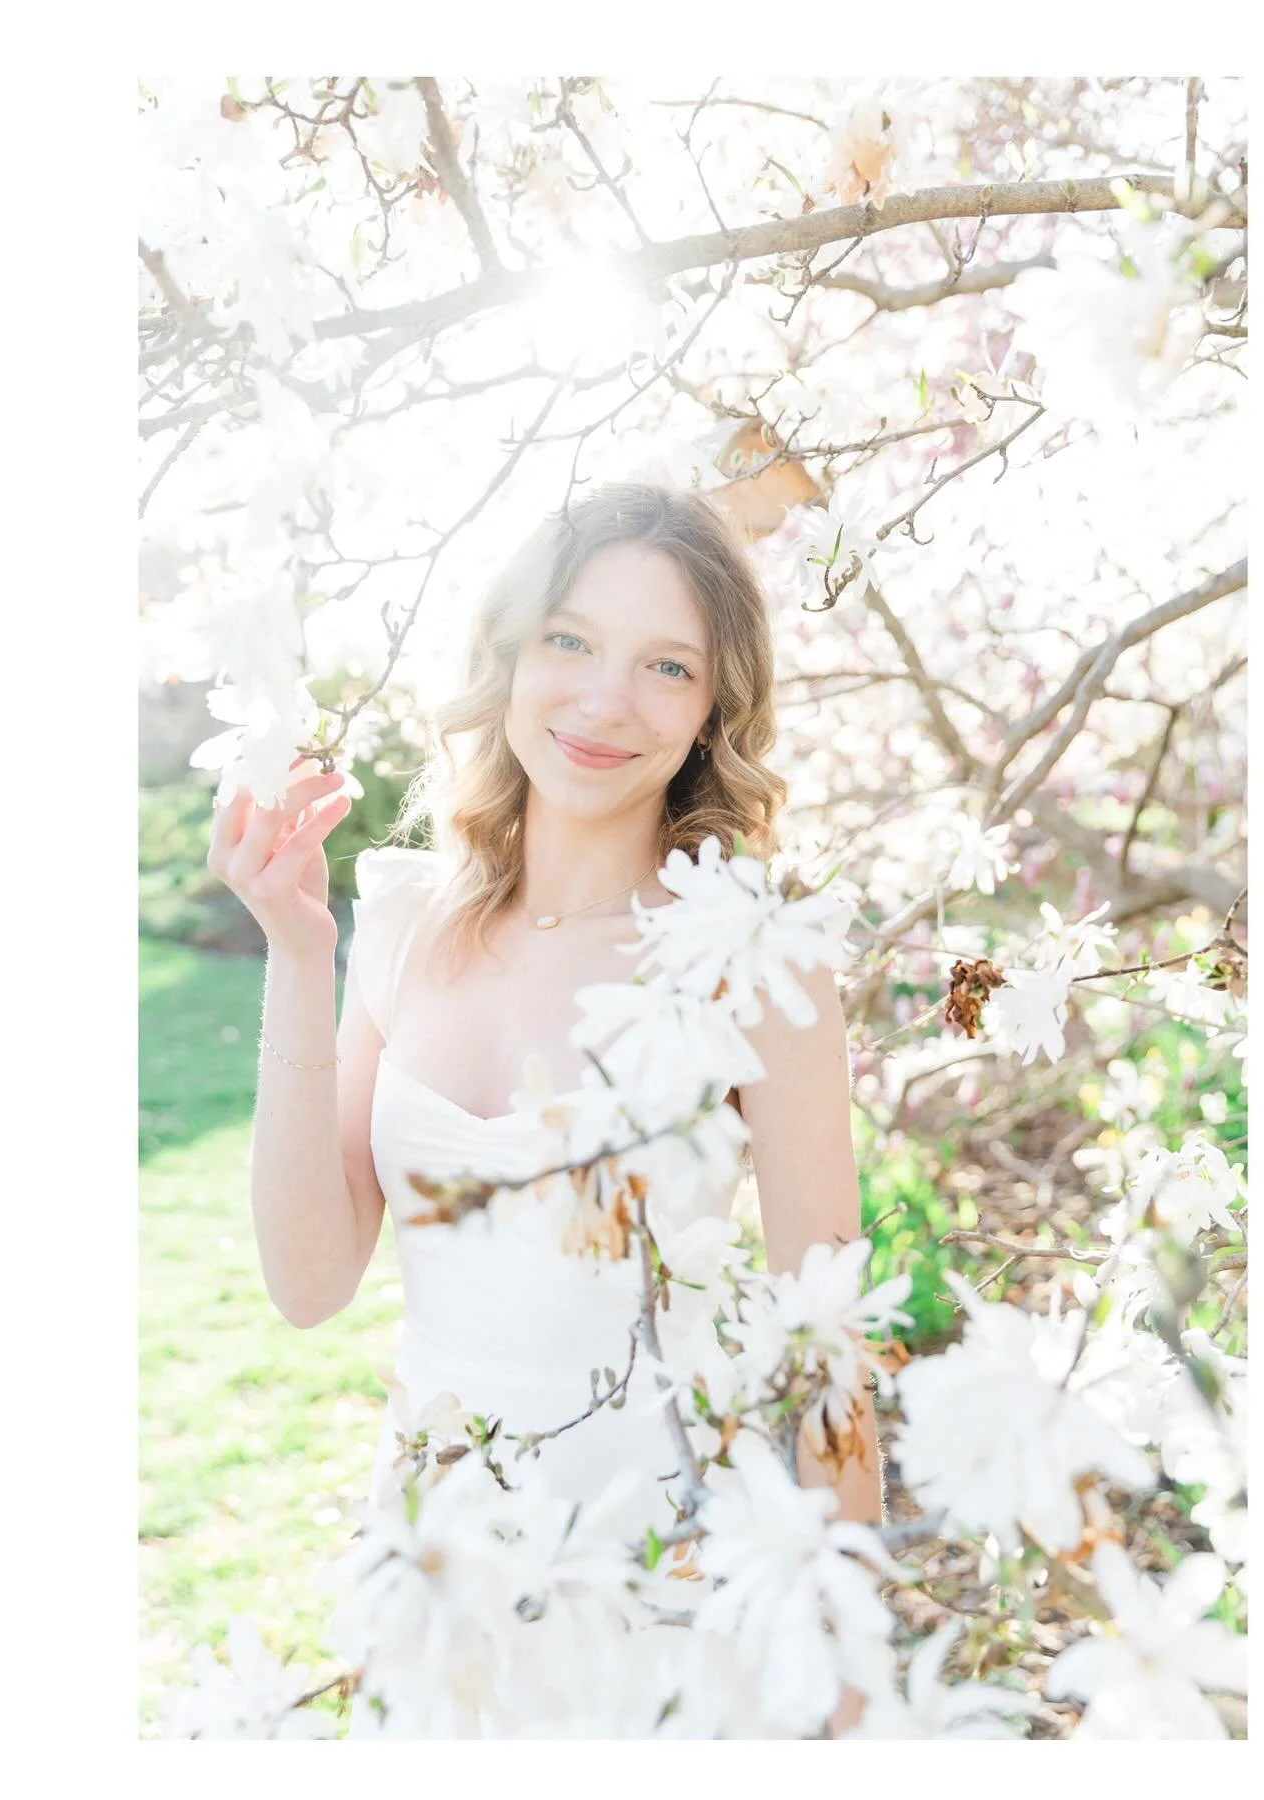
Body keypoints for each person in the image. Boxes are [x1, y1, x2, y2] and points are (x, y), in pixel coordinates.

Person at [206, 483, 882, 1735]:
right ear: (510, 654)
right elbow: (307, 1283)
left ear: (713, 709)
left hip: (667, 1581)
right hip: (437, 1563)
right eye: (570, 639)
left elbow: (821, 1347)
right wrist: (298, 955)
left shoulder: (754, 959)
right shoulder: (404, 922)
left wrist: (847, 1695)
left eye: (667, 665)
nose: (604, 701)